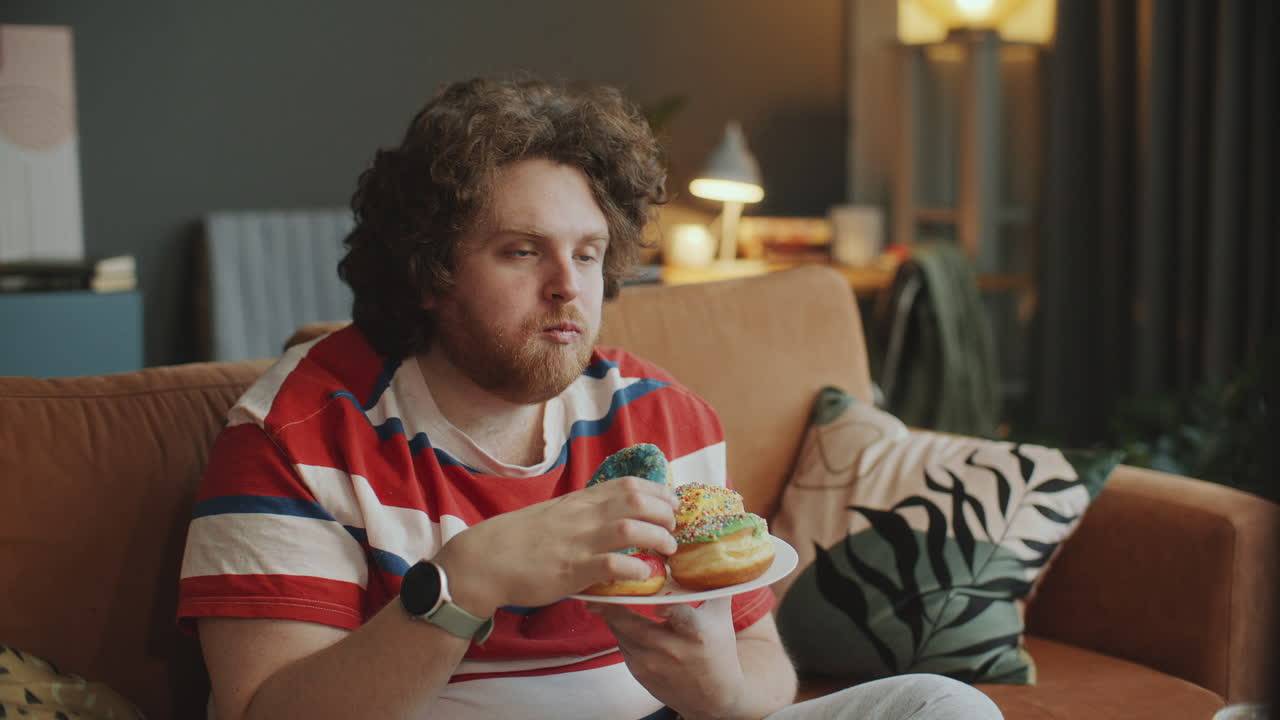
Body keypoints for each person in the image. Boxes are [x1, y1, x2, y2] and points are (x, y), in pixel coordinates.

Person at [177, 76, 1002, 720]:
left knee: (943, 705)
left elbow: (762, 661)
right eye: (521, 251)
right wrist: (467, 581)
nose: (567, 288)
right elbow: (265, 712)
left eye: (588, 253)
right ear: (429, 273)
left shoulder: (657, 412)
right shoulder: (294, 434)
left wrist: (718, 687)